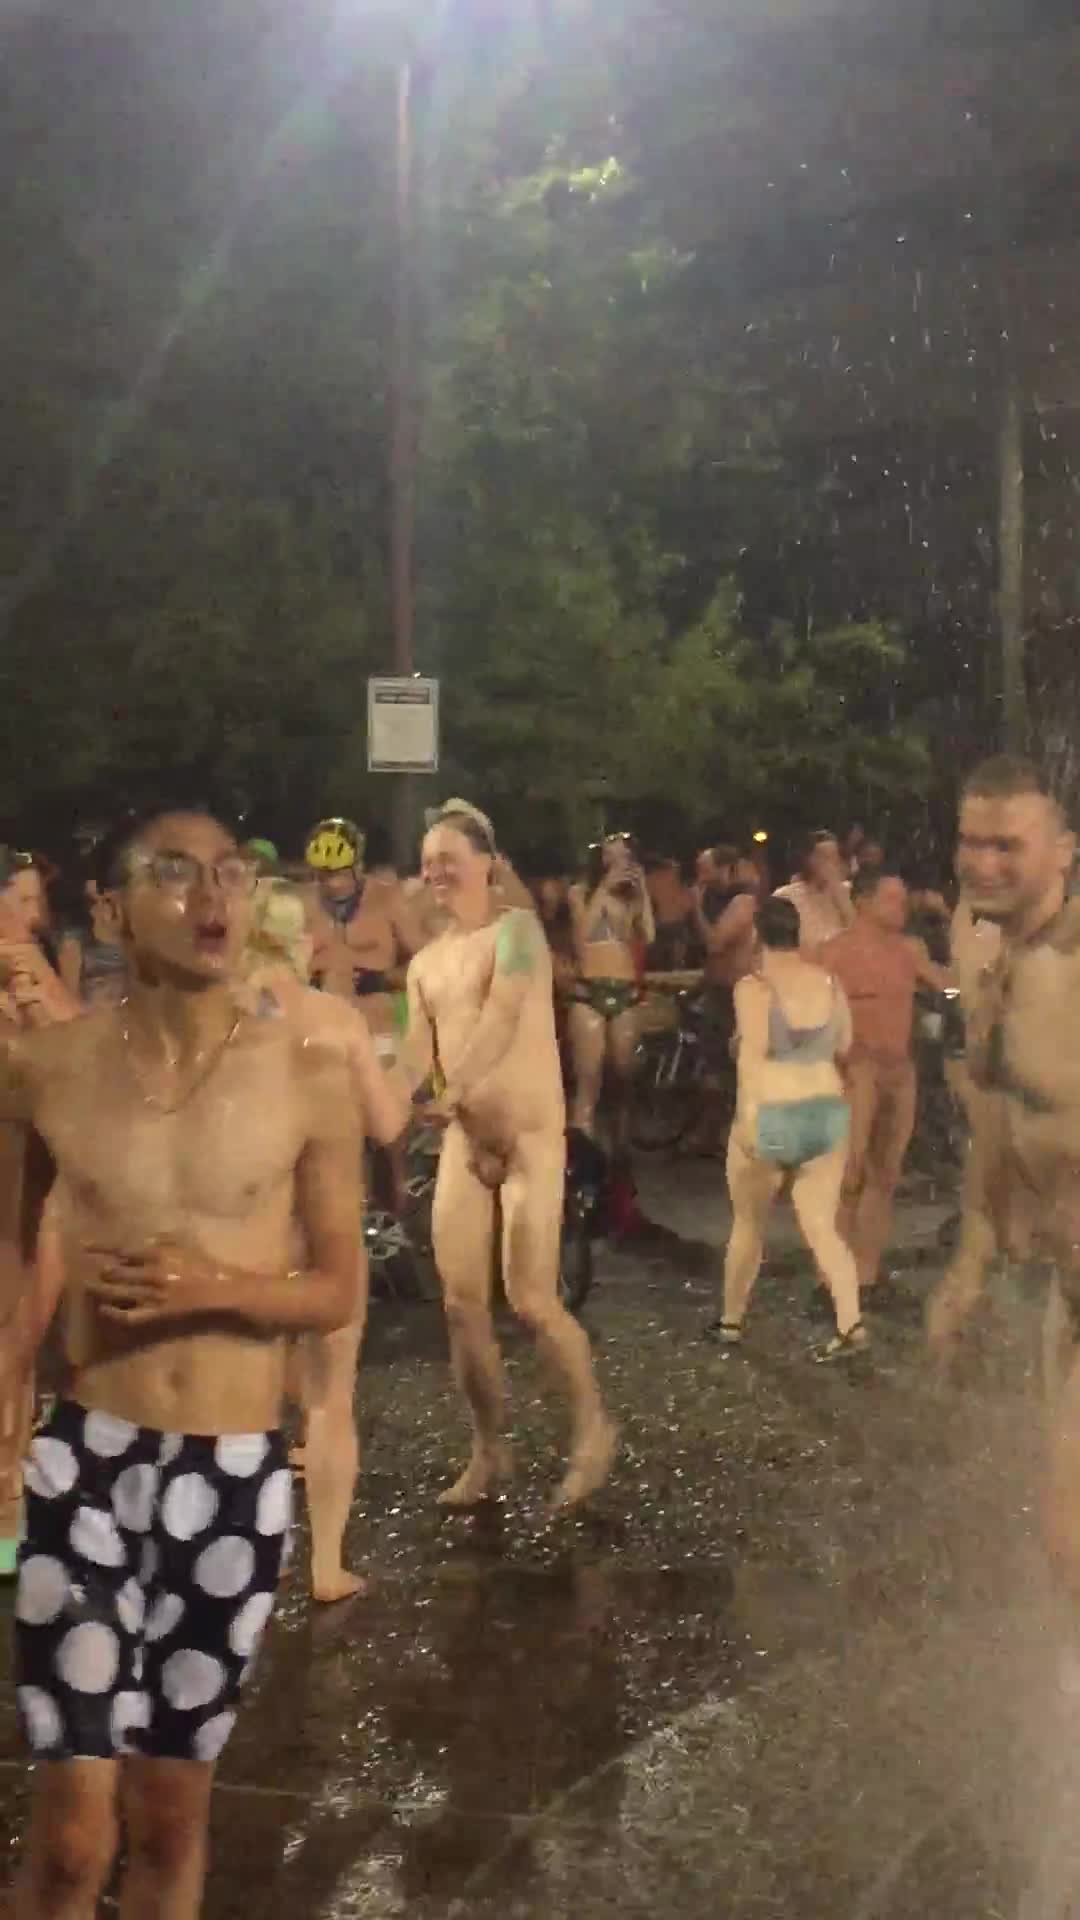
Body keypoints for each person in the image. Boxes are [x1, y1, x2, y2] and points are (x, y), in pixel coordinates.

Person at [5, 808, 362, 1920]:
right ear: (111, 912)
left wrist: (214, 1287)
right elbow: (10, 1266)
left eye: (229, 874)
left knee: (168, 1819)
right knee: (71, 1839)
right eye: (175, 873)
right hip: (84, 1466)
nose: (212, 897)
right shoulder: (44, 1070)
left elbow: (338, 1288)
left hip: (233, 1477)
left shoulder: (309, 1072)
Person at [403, 808, 616, 1511]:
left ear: (487, 862)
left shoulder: (518, 932)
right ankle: (490, 1448)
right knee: (462, 1306)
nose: (435, 871)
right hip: (466, 1139)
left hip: (529, 1137)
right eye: (427, 860)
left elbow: (501, 1017)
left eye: (449, 857)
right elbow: (416, 1053)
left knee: (531, 1299)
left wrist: (451, 1088)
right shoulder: (425, 963)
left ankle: (593, 1429)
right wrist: (390, 1096)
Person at [923, 758, 1080, 1610]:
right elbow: (995, 1122)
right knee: (1065, 1548)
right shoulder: (986, 950)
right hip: (1066, 1293)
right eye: (970, 841)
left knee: (1070, 1534)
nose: (982, 863)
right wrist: (970, 1264)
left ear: (1064, 851)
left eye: (1007, 846)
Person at [242, 876, 409, 1602]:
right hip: (332, 1221)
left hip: (254, 1220)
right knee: (330, 1396)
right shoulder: (336, 1020)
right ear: (303, 941)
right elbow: (388, 1124)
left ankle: (258, 1548)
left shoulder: (222, 1018)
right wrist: (409, 1070)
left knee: (250, 1391)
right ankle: (327, 1566)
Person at [710, 896, 865, 1362]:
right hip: (826, 1113)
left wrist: (747, 1123)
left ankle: (731, 1321)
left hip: (774, 1114)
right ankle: (851, 1323)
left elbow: (752, 1058)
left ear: (757, 935)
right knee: (822, 1227)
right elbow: (844, 1043)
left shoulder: (753, 987)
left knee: (748, 1225)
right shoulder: (830, 982)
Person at [822, 868, 951, 1295]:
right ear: (863, 901)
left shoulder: (909, 950)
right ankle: (833, 1278)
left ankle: (867, 1275)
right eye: (892, 899)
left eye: (902, 898)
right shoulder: (833, 953)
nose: (902, 907)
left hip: (899, 1071)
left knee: (885, 1175)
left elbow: (948, 985)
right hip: (855, 1071)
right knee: (849, 1175)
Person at [567, 833, 655, 1149]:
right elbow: (583, 936)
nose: (617, 863)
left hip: (624, 988)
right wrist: (604, 889)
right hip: (589, 988)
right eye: (610, 855)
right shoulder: (580, 892)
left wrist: (643, 892)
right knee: (588, 1078)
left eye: (624, 857)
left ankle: (620, 1145)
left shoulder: (631, 897)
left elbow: (648, 935)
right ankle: (582, 1153)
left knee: (623, 1073)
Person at [691, 848, 759, 1152]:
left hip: (733, 995)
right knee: (715, 1064)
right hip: (719, 991)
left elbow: (714, 943)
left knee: (722, 1067)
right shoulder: (722, 901)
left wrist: (695, 908)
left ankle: (726, 1136)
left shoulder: (742, 902)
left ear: (725, 868)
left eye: (705, 869)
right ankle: (713, 1133)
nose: (700, 877)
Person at [774, 829, 854, 955]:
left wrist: (839, 892)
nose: (830, 864)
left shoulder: (851, 892)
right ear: (807, 860)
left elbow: (861, 937)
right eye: (824, 857)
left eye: (835, 857)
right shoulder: (785, 896)